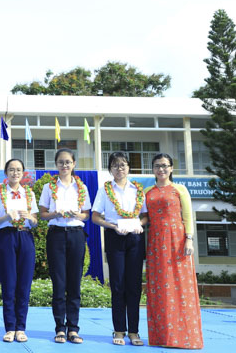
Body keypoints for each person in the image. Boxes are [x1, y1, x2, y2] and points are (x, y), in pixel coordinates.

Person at [143, 154, 203, 349]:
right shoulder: (147, 191)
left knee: (179, 286)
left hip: (177, 240)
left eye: (165, 166)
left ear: (171, 168)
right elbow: (142, 216)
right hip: (155, 242)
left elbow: (187, 216)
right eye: (157, 166)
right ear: (152, 169)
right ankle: (162, 337)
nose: (161, 169)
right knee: (159, 287)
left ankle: (185, 336)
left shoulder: (180, 189)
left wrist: (189, 239)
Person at [92, 152, 147, 346]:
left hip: (135, 239)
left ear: (129, 168)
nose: (119, 169)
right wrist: (113, 226)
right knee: (117, 285)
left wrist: (139, 223)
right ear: (110, 169)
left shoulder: (138, 190)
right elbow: (95, 216)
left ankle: (134, 331)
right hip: (115, 237)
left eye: (123, 165)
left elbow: (145, 215)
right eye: (115, 165)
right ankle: (119, 331)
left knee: (133, 285)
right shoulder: (105, 190)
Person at [39, 148, 91, 344]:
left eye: (68, 162)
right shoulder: (48, 187)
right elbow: (43, 214)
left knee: (74, 283)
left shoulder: (81, 187)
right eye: (61, 162)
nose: (64, 165)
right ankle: (60, 328)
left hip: (76, 235)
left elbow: (87, 214)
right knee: (59, 284)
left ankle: (74, 329)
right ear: (56, 165)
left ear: (74, 164)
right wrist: (56, 214)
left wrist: (78, 215)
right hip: (57, 235)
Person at [0, 159, 38, 343]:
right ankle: (9, 327)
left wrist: (30, 218)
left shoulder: (29, 194)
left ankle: (21, 328)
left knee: (24, 284)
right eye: (11, 170)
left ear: (23, 173)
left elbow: (36, 221)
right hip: (6, 237)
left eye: (18, 170)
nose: (15, 173)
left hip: (25, 237)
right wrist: (6, 217)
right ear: (6, 173)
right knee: (9, 283)